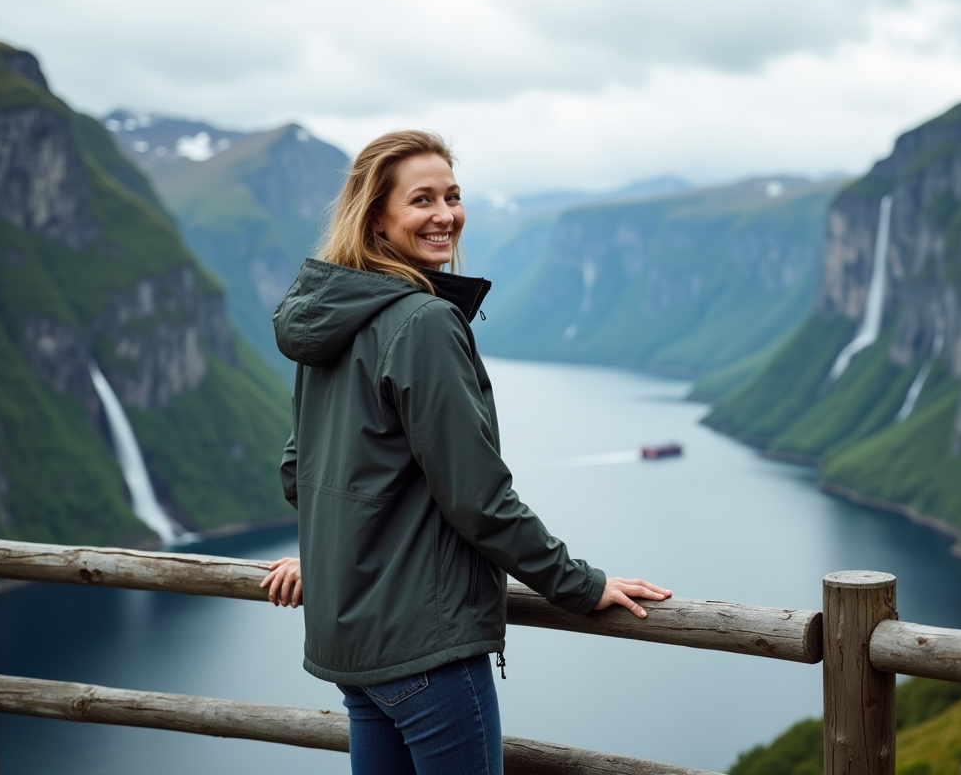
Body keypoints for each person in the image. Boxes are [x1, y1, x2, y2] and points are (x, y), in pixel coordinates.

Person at [260, 129, 670, 775]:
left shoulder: (333, 317)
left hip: (357, 651)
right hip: (427, 647)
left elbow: (302, 471)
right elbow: (477, 498)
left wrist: (337, 560)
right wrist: (580, 584)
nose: (445, 215)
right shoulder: (422, 323)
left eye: (452, 196)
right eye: (421, 199)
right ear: (376, 218)